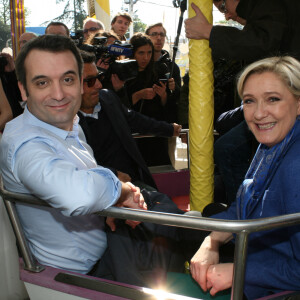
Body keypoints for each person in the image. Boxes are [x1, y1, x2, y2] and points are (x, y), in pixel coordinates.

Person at [0, 34, 188, 287]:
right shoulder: (24, 143)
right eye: (42, 82)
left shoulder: (68, 123)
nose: (58, 94)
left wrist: (110, 207)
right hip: (82, 276)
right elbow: (75, 195)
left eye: (67, 79)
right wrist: (120, 192)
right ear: (23, 89)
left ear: (80, 83)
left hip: (106, 242)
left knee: (178, 228)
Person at [190, 56, 300, 299]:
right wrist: (212, 242)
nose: (259, 114)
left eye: (273, 99)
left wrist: (240, 271)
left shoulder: (295, 163)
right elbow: (243, 210)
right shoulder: (270, 143)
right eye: (249, 101)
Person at [78, 50, 181, 190]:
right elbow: (75, 167)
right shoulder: (65, 123)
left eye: (99, 77)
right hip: (103, 194)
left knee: (168, 209)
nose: (98, 85)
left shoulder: (108, 98)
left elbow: (134, 119)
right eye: (89, 81)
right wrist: (113, 174)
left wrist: (169, 129)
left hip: (136, 183)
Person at [185, 0, 300, 62]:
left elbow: (264, 42)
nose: (227, 16)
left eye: (223, 8)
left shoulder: (269, 4)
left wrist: (209, 32)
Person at [125, 33, 174, 166]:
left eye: (149, 53)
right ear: (132, 53)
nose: (145, 58)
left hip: (156, 133)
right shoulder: (124, 73)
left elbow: (167, 105)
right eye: (141, 53)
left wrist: (163, 94)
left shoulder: (157, 71)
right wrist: (138, 95)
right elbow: (120, 106)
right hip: (134, 133)